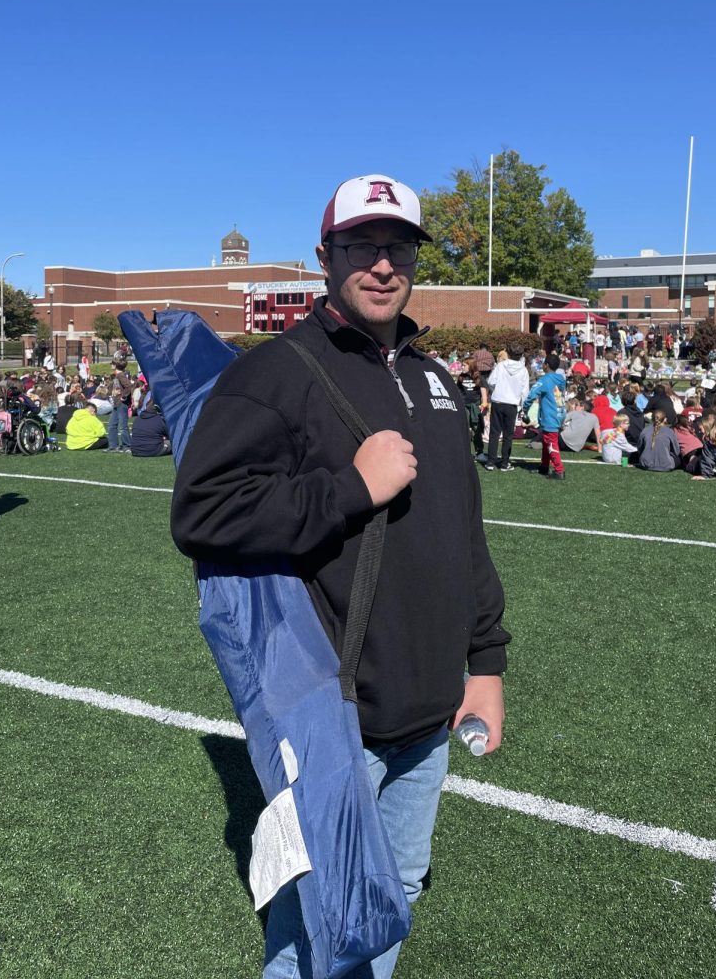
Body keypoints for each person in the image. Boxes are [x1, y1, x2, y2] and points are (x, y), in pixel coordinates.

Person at [171, 173, 509, 979]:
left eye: (398, 247)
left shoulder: (435, 380)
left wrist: (485, 662)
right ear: (327, 258)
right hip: (334, 719)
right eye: (362, 246)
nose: (382, 265)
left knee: (392, 901)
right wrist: (351, 489)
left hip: (428, 717)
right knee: (313, 926)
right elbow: (202, 515)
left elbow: (463, 530)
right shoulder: (275, 371)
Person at [484, 343, 529, 472]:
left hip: (498, 401)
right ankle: (505, 463)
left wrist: (497, 390)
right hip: (512, 404)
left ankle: (490, 462)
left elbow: (491, 381)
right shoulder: (523, 370)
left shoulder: (501, 366)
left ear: (508, 353)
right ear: (521, 355)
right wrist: (523, 407)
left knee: (494, 433)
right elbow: (525, 392)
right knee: (508, 435)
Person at [522, 352, 567, 479]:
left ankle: (559, 470)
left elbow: (531, 395)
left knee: (551, 442)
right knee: (546, 440)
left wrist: (525, 409)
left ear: (546, 365)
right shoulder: (561, 379)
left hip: (550, 414)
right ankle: (544, 466)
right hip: (559, 413)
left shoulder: (544, 380)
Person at [455, 361, 487, 461]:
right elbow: (458, 391)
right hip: (463, 406)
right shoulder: (461, 377)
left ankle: (479, 452)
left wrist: (484, 404)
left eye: (464, 365)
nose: (462, 367)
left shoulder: (479, 377)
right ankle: (465, 452)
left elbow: (483, 392)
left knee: (476, 430)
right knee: (464, 429)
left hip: (475, 407)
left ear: (471, 366)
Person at [106, 359, 134, 452]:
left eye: (112, 364)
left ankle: (127, 446)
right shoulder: (117, 376)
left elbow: (129, 386)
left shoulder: (121, 375)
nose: (111, 366)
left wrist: (124, 396)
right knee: (112, 425)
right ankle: (113, 446)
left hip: (121, 404)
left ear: (115, 365)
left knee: (122, 426)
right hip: (116, 403)